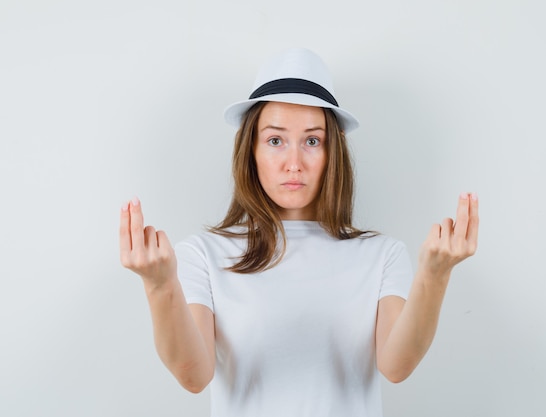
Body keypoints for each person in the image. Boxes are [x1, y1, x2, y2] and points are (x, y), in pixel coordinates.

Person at [119, 48, 479, 417]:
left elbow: (397, 366)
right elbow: (193, 376)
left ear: (331, 152)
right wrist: (160, 286)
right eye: (275, 140)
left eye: (312, 141)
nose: (294, 163)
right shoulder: (203, 254)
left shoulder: (382, 255)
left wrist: (434, 277)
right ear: (251, 151)